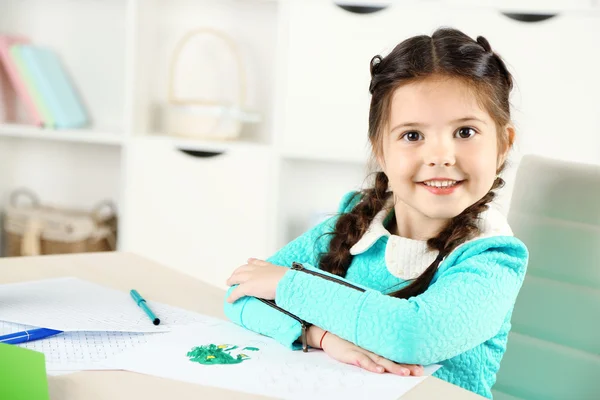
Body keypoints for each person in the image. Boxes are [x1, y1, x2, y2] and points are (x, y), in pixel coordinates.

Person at [223, 27, 529, 399]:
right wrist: (320, 337)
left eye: (465, 132)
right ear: (380, 150)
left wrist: (287, 286)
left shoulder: (493, 257)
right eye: (412, 136)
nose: (441, 156)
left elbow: (411, 335)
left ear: (502, 144)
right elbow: (242, 295)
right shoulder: (356, 219)